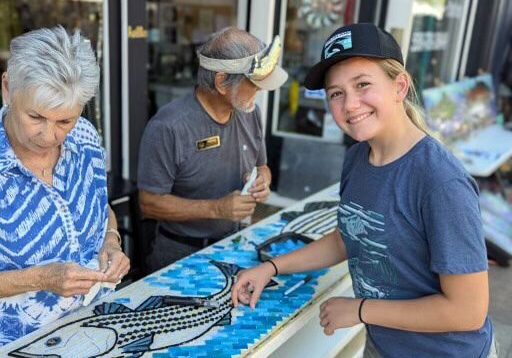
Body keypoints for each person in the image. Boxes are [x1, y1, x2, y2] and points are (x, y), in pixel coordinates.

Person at [232, 23, 497, 358]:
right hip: (383, 345)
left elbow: (467, 312)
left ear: (399, 86)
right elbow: (347, 238)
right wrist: (270, 267)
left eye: (363, 85)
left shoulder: (441, 182)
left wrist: (359, 310)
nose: (350, 104)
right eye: (336, 93)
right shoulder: (358, 156)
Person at [0, 26, 130, 346]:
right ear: (6, 89)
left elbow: (101, 209)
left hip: (93, 326)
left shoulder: (85, 137)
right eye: (36, 117)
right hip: (17, 344)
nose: (49, 136)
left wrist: (110, 243)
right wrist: (42, 278)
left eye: (64, 121)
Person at [138, 27, 288, 272]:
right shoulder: (168, 127)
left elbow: (262, 167)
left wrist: (263, 180)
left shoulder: (250, 113)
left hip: (235, 243)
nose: (260, 91)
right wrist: (217, 209)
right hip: (181, 256)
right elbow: (149, 203)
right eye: (254, 84)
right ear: (221, 82)